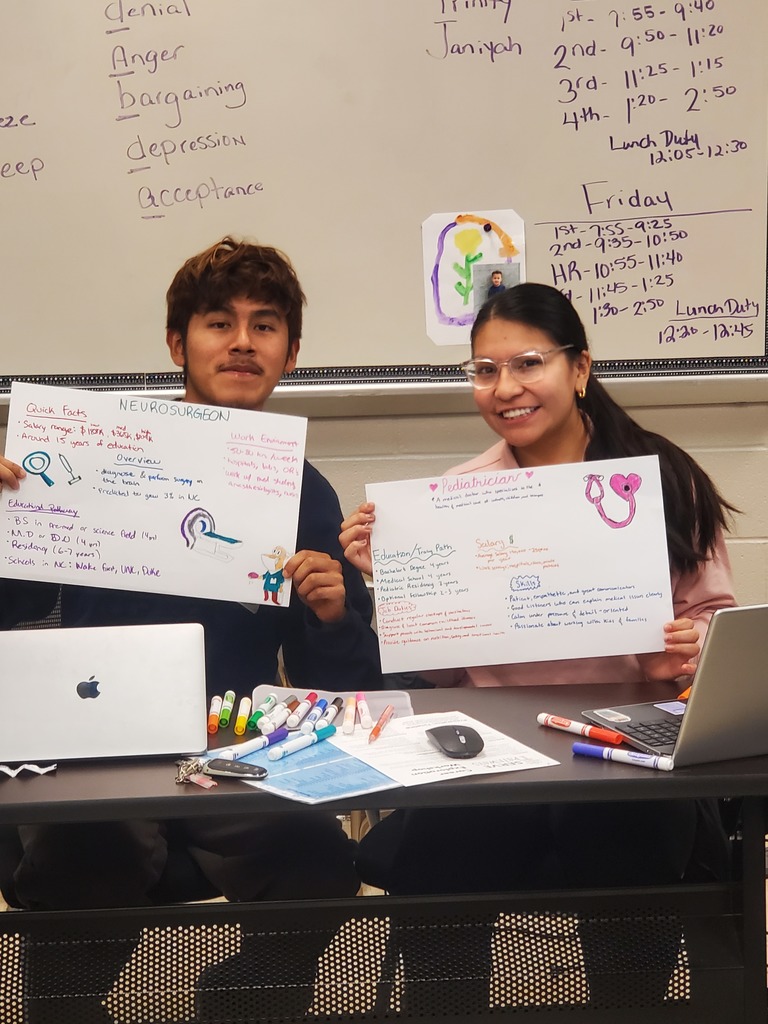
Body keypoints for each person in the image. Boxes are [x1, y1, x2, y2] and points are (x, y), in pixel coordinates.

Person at [0, 237, 382, 1023]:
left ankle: (242, 997)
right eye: (218, 323)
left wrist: (336, 611)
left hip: (230, 746)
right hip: (93, 740)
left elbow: (337, 681)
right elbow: (10, 605)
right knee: (86, 857)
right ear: (179, 343)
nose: (243, 341)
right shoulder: (92, 457)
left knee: (319, 866)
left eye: (265, 325)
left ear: (291, 352)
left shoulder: (303, 488)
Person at [339, 282, 737, 1012]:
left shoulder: (662, 480)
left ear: (579, 368)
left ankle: (631, 1006)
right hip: (493, 759)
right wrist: (395, 587)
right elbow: (444, 670)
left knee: (632, 870)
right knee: (440, 872)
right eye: (484, 370)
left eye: (528, 363)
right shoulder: (454, 499)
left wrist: (687, 648)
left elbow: (717, 625)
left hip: (623, 755)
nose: (506, 388)